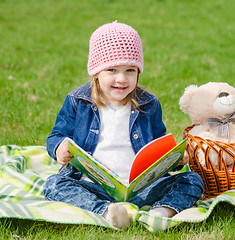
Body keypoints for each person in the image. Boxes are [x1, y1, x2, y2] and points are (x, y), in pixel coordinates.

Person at [43, 21, 205, 229]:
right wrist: (59, 148)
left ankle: (159, 213)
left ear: (139, 71)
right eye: (111, 69)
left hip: (142, 189)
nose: (121, 79)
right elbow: (56, 136)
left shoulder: (149, 104)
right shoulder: (78, 101)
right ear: (96, 72)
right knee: (54, 185)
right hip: (93, 186)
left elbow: (158, 148)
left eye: (130, 70)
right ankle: (106, 212)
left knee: (192, 180)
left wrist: (175, 160)